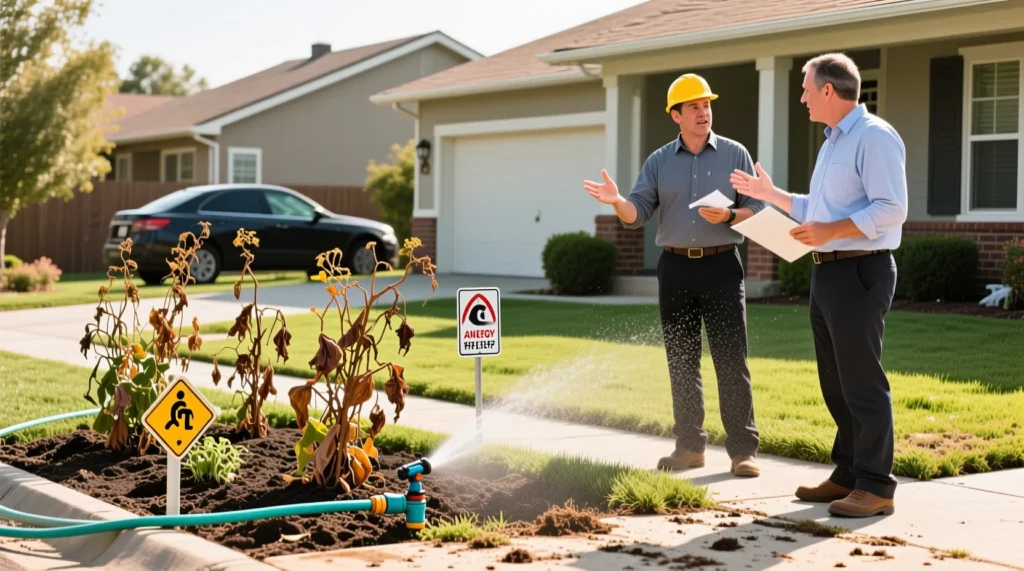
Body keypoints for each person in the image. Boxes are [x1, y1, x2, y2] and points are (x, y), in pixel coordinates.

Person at [729, 53, 908, 517]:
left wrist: (831, 231)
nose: (803, 97)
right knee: (836, 383)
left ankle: (876, 486)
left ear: (829, 90)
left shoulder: (874, 136)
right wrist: (772, 196)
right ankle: (848, 474)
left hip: (860, 270)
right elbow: (817, 209)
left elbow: (892, 209)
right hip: (827, 272)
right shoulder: (832, 142)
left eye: (807, 88)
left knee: (862, 383)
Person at [584, 73, 764, 478]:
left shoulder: (735, 154)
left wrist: (732, 215)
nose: (704, 112)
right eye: (695, 107)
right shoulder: (658, 161)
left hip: (722, 265)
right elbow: (637, 214)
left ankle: (742, 451)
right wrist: (616, 201)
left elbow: (758, 206)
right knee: (682, 360)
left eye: (707, 105)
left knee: (730, 359)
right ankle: (689, 447)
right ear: (676, 115)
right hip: (676, 267)